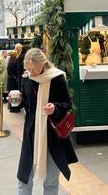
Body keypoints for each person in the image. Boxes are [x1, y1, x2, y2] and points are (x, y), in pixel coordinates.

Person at [16, 48, 78, 194]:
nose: (30, 73)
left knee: (50, 181)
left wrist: (55, 108)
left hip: (52, 136)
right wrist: (17, 101)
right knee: (23, 178)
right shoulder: (26, 78)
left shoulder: (56, 78)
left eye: (33, 69)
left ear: (42, 63)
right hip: (31, 134)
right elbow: (26, 103)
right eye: (28, 69)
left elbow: (67, 103)